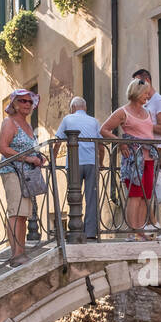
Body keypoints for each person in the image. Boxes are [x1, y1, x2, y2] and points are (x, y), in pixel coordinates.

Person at [100, 79, 158, 239]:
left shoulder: (147, 112)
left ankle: (140, 230)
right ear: (137, 92)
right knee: (134, 194)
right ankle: (132, 232)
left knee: (146, 195)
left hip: (149, 159)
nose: (148, 96)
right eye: (145, 92)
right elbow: (104, 130)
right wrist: (121, 143)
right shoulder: (122, 112)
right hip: (133, 159)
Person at [0, 89, 46, 266]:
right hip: (11, 171)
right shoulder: (9, 122)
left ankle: (21, 251)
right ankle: (15, 254)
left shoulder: (26, 125)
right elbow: (3, 147)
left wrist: (39, 157)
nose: (27, 104)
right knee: (15, 212)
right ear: (15, 104)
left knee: (24, 214)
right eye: (23, 101)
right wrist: (27, 158)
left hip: (26, 174)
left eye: (30, 102)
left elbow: (30, 148)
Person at [54, 96, 104, 240]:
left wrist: (52, 159)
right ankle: (90, 233)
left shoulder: (68, 119)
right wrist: (100, 162)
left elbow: (57, 141)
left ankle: (75, 230)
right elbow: (100, 146)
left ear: (72, 108)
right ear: (85, 108)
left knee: (74, 196)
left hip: (74, 163)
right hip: (91, 163)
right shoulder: (94, 121)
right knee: (91, 198)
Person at [136, 68, 161, 236]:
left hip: (160, 148)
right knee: (150, 185)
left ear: (147, 81)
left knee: (157, 184)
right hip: (150, 150)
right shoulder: (146, 102)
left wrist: (140, 125)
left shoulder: (158, 101)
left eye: (138, 83)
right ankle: (154, 222)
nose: (136, 87)